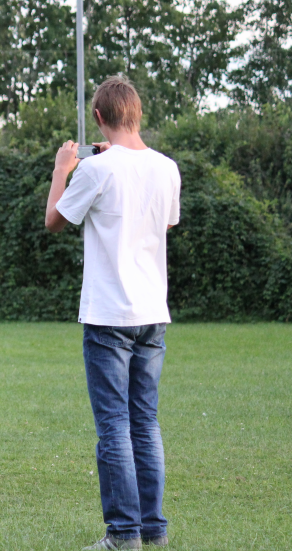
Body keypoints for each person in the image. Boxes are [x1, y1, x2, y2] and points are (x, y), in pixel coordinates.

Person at [45, 76, 181, 550]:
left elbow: (55, 221)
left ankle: (123, 534)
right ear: (137, 115)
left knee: (114, 427)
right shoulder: (167, 168)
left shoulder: (94, 171)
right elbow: (164, 222)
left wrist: (63, 168)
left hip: (108, 314)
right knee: (145, 422)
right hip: (152, 313)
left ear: (98, 118)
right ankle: (154, 529)